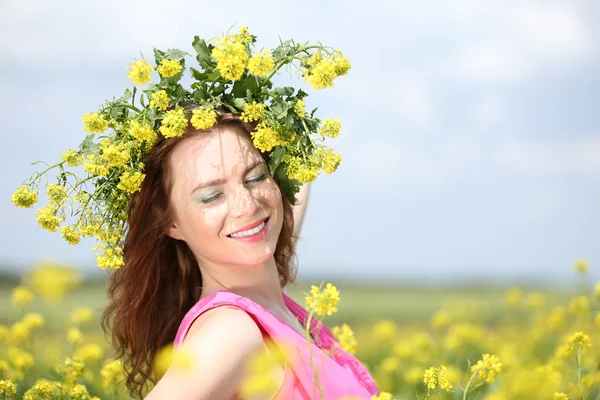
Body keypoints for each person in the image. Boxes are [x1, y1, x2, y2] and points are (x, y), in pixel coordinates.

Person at [11, 26, 380, 399]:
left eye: (255, 177)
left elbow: (285, 201)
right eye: (211, 196)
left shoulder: (266, 299)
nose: (247, 205)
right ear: (169, 221)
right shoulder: (230, 333)